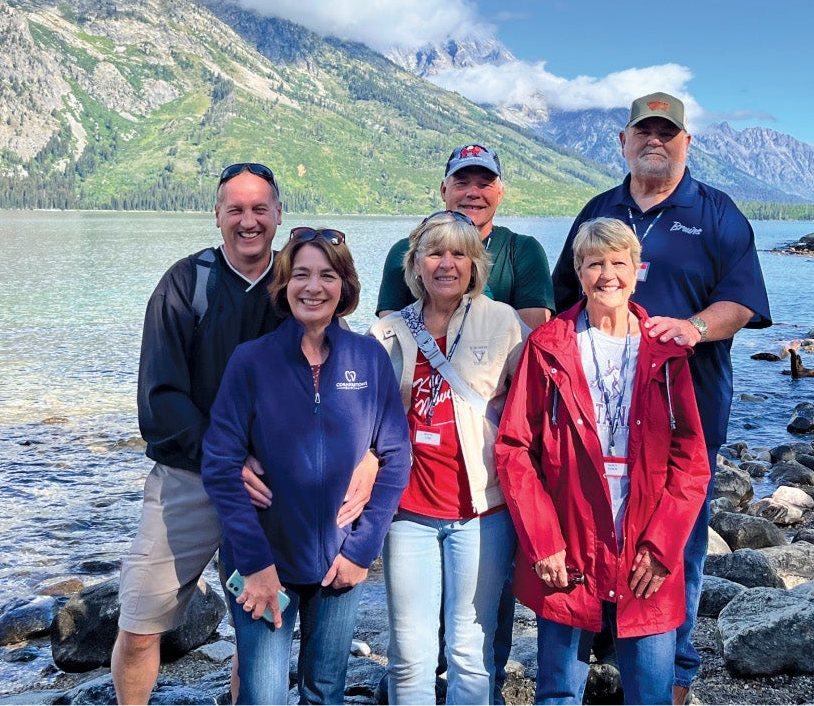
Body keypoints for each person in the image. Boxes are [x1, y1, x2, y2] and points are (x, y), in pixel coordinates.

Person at [113, 164, 377, 705]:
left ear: (278, 215)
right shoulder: (187, 284)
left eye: (260, 209)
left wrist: (370, 453)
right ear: (217, 216)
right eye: (235, 209)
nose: (248, 221)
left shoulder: (298, 286)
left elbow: (344, 389)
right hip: (189, 480)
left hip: (275, 492)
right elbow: (158, 399)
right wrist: (226, 461)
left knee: (255, 628)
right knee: (142, 622)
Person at [550, 93, 772, 704]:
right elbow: (566, 298)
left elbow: (745, 300)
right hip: (598, 420)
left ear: (686, 142)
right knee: (592, 530)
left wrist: (695, 327)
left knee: (678, 543)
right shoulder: (599, 210)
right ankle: (600, 655)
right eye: (643, 131)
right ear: (623, 141)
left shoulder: (717, 212)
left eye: (666, 133)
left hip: (687, 413)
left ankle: (671, 675)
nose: (655, 141)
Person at [496, 218, 709, 705]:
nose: (607, 274)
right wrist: (543, 542)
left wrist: (662, 548)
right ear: (579, 270)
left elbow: (691, 460)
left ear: (638, 270)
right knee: (556, 693)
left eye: (618, 262)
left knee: (650, 694)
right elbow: (514, 449)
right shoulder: (547, 347)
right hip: (567, 545)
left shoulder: (665, 351)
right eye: (594, 263)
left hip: (646, 548)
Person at [202, 227, 412, 705]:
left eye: (327, 275)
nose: (313, 287)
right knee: (266, 695)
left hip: (339, 563)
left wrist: (362, 550)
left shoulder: (369, 358)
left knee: (325, 692)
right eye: (301, 275)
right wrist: (255, 566)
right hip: (263, 562)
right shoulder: (251, 361)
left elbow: (397, 456)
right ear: (284, 284)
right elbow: (220, 463)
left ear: (345, 286)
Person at [369, 211, 527, 704]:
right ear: (415, 264)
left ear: (475, 263)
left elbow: (530, 408)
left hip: (482, 511)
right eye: (435, 252)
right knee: (410, 653)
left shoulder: (502, 322)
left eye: (459, 253)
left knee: (469, 649)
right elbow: (362, 421)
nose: (447, 264)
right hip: (407, 512)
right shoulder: (388, 332)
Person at [377, 143, 554, 330]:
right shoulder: (406, 251)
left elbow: (532, 340)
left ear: (500, 194)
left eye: (484, 185)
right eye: (462, 183)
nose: (473, 193)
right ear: (444, 190)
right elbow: (390, 338)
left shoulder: (523, 251)